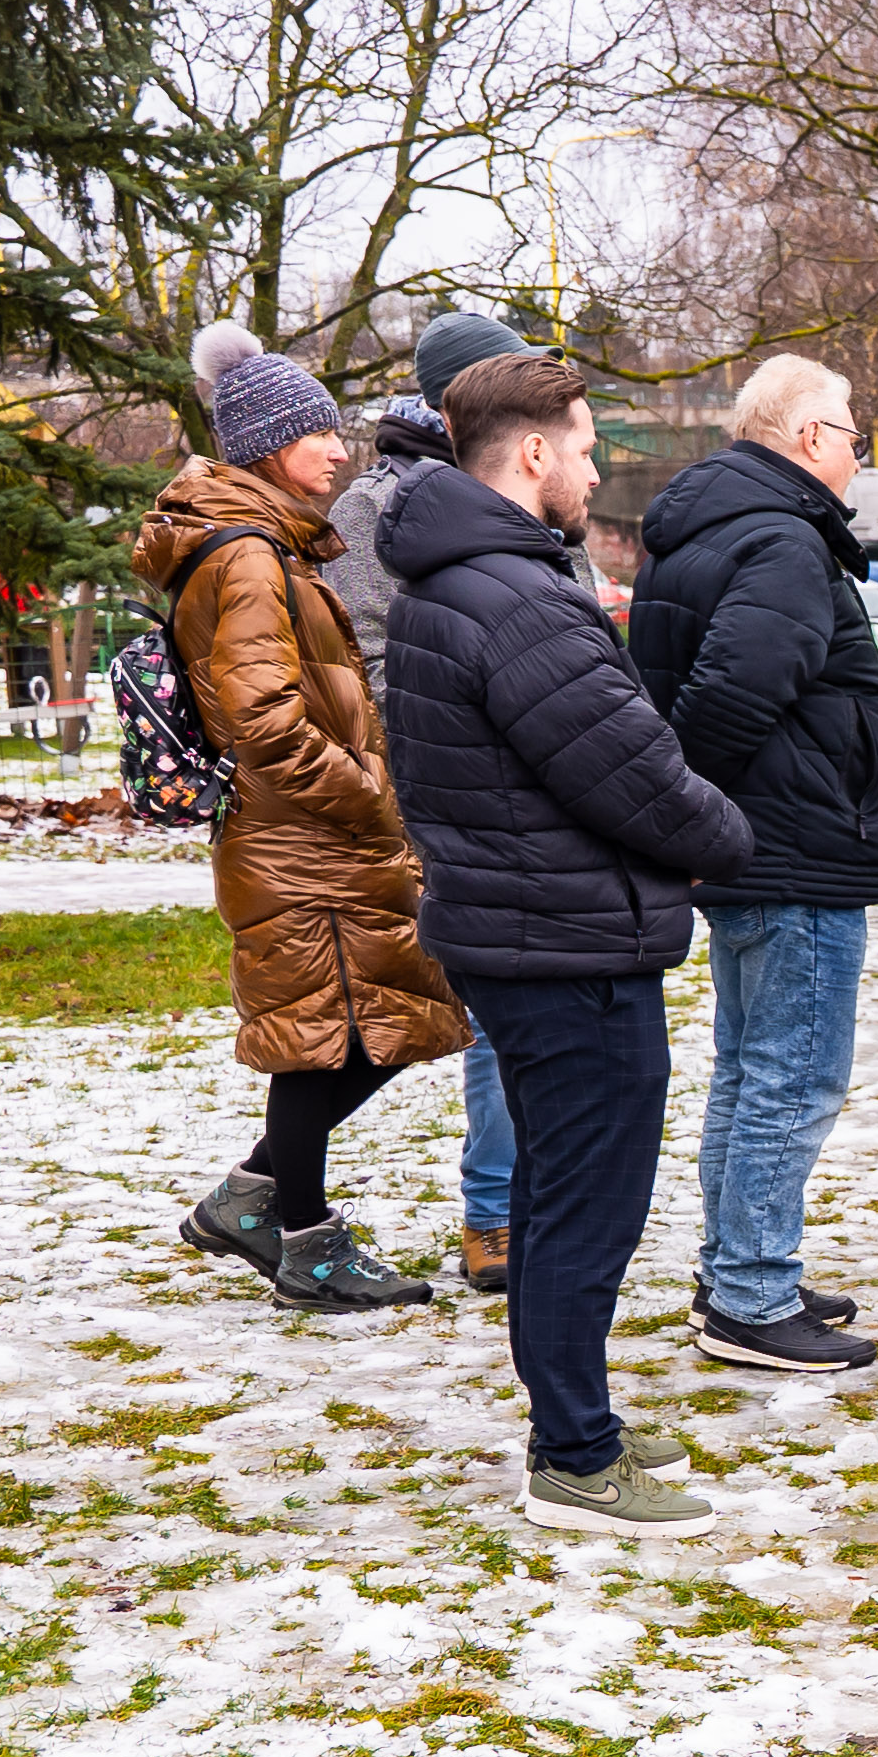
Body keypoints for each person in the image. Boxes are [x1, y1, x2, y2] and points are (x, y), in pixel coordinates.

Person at [381, 347, 758, 1535]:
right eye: (589, 448)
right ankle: (577, 1458)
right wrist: (728, 836)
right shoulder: (513, 591)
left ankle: (572, 1416)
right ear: (533, 452)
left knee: (557, 1193)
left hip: (540, 925)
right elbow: (629, 769)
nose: (596, 469)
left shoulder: (475, 577)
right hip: (562, 938)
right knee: (585, 1202)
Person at [146, 323, 475, 1314]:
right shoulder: (248, 558)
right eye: (321, 434)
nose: (342, 451)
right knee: (332, 1038)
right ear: (267, 443)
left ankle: (254, 1199)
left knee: (391, 1022)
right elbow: (264, 722)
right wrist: (371, 792)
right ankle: (304, 1240)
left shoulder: (269, 546)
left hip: (317, 837)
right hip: (308, 840)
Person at [628, 354, 878, 1375]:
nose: (853, 449)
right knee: (794, 1077)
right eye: (847, 431)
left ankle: (738, 1267)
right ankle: (750, 1290)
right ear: (801, 439)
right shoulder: (784, 541)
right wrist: (699, 811)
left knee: (751, 1073)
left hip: (753, 851)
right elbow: (729, 698)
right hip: (792, 851)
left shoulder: (701, 526)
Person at [332, 307, 538, 1288]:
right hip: (440, 791)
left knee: (503, 999)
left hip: (528, 782)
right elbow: (363, 664)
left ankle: (512, 1204)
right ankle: (494, 1215)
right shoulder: (376, 511)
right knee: (464, 1003)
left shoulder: (510, 484)